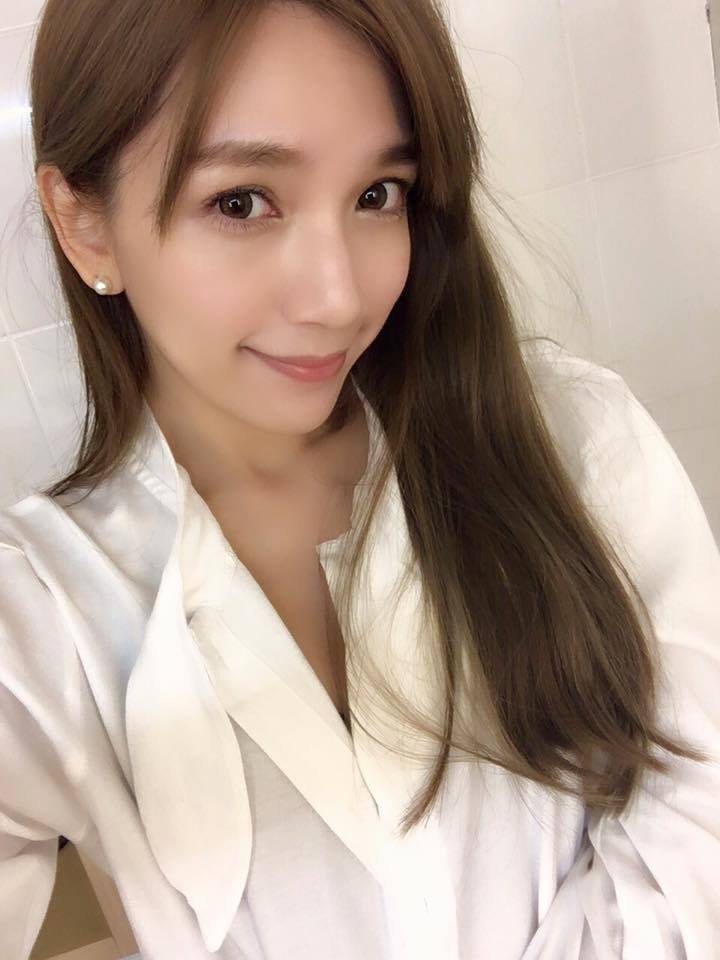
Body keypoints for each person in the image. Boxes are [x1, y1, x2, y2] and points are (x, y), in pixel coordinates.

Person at [2, 0, 719, 958]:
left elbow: (700, 817)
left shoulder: (575, 442)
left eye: (378, 193)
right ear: (84, 225)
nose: (340, 296)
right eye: (242, 202)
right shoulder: (43, 613)